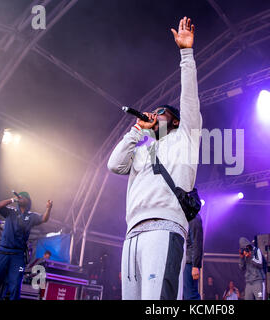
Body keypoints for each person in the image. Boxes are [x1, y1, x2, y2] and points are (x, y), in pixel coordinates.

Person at [107, 16, 202, 300]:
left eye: (162, 112)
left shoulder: (186, 137)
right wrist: (137, 129)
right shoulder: (143, 148)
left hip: (166, 227)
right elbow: (114, 164)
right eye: (154, 110)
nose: (155, 113)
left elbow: (190, 97)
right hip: (133, 232)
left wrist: (186, 53)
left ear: (175, 121)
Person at [0, 192, 52, 300]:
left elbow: (44, 219)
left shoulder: (31, 216)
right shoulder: (10, 212)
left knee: (15, 286)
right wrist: (13, 199)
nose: (21, 198)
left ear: (28, 201)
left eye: (24, 197)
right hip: (2, 253)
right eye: (20, 197)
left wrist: (48, 208)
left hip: (17, 256)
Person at [183, 213, 203, 300]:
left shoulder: (194, 218)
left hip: (190, 263)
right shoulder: (186, 218)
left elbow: (197, 243)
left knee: (190, 295)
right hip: (184, 261)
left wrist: (195, 266)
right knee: (185, 294)